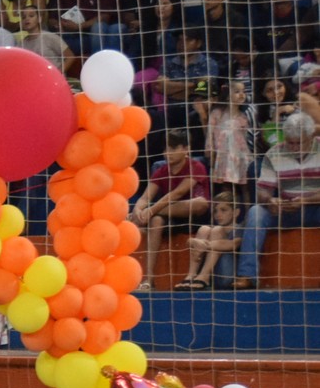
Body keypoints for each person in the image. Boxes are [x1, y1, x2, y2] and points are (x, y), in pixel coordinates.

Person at [236, 109, 320, 289]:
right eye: (290, 143)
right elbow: (262, 191)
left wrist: (306, 200)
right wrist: (270, 201)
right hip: (287, 210)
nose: (294, 148)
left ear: (311, 136)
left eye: (300, 143)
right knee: (256, 212)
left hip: (316, 208)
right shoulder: (274, 153)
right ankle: (247, 275)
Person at [131, 129, 211, 288]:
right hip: (170, 215)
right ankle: (148, 279)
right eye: (166, 149)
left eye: (173, 148)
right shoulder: (161, 171)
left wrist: (151, 209)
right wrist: (138, 210)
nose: (168, 153)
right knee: (156, 221)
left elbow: (178, 193)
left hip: (193, 214)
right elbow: (145, 197)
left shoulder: (196, 166)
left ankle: (151, 213)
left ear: (186, 149)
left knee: (200, 202)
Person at [177, 189, 244, 290]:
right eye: (215, 211)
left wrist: (202, 245)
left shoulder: (239, 228)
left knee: (216, 230)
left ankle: (204, 276)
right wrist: (192, 241)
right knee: (204, 229)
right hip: (213, 273)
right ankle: (192, 275)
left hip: (227, 275)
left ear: (236, 212)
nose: (218, 214)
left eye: (223, 210)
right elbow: (191, 241)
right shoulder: (213, 230)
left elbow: (233, 244)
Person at [206, 77, 258, 205]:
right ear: (228, 95)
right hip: (224, 157)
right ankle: (228, 216)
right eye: (237, 91)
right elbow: (210, 134)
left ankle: (246, 217)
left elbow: (248, 138)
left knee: (245, 188)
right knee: (226, 189)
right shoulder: (217, 114)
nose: (241, 94)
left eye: (243, 91)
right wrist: (210, 152)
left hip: (241, 157)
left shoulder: (244, 117)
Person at [16, 3, 72, 73]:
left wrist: (58, 73)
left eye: (31, 16)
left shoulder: (50, 37)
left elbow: (70, 56)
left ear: (39, 19)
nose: (27, 19)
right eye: (23, 17)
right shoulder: (21, 44)